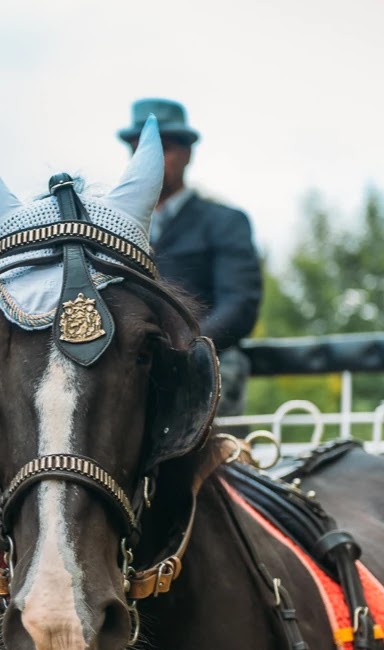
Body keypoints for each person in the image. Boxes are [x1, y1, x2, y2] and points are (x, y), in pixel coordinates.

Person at [118, 98, 262, 417]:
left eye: (163, 149)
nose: (150, 161)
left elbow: (239, 305)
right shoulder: (117, 228)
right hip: (131, 361)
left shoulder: (224, 221)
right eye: (140, 151)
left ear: (187, 154)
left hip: (205, 356)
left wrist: (181, 348)